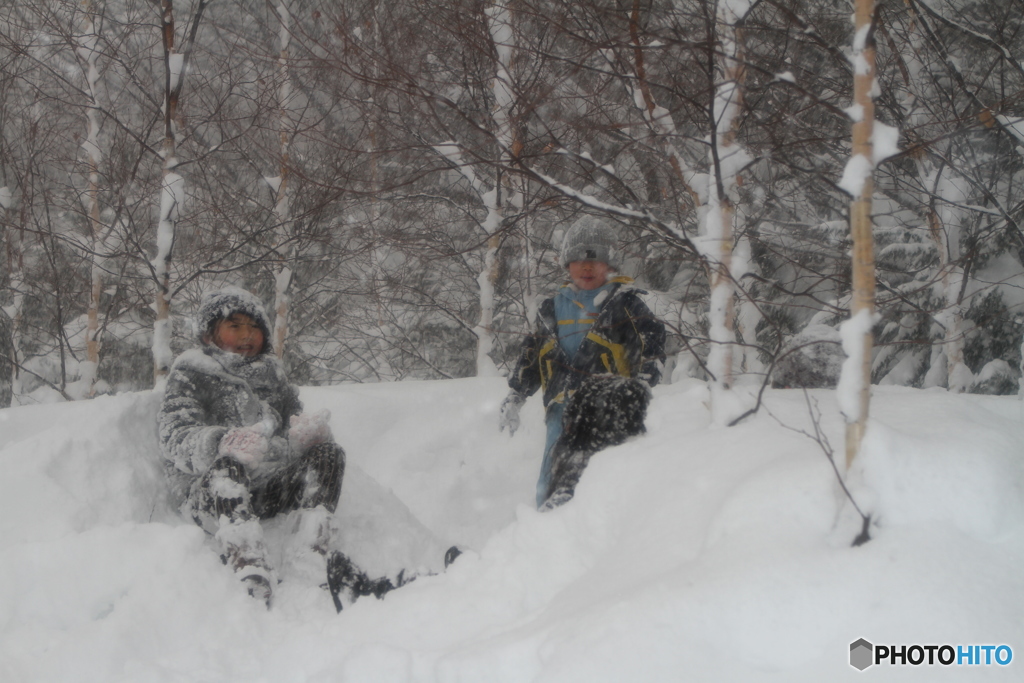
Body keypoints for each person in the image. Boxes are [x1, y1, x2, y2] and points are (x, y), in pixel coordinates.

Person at [158, 286, 396, 609]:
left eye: (254, 327)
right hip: (212, 497)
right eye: (235, 326)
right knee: (228, 470)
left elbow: (289, 425)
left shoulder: (273, 375)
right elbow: (174, 437)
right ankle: (248, 560)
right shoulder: (192, 372)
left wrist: (304, 438)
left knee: (329, 455)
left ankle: (312, 550)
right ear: (209, 333)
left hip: (270, 489)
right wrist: (220, 442)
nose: (246, 335)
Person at [498, 216, 666, 508]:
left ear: (610, 264)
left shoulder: (624, 304)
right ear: (566, 264)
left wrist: (642, 383)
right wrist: (517, 393)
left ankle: (585, 529)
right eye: (578, 260)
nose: (587, 267)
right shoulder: (552, 307)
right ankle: (540, 533)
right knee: (550, 477)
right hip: (559, 410)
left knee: (593, 477)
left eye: (596, 260)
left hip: (604, 411)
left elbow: (650, 343)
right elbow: (533, 354)